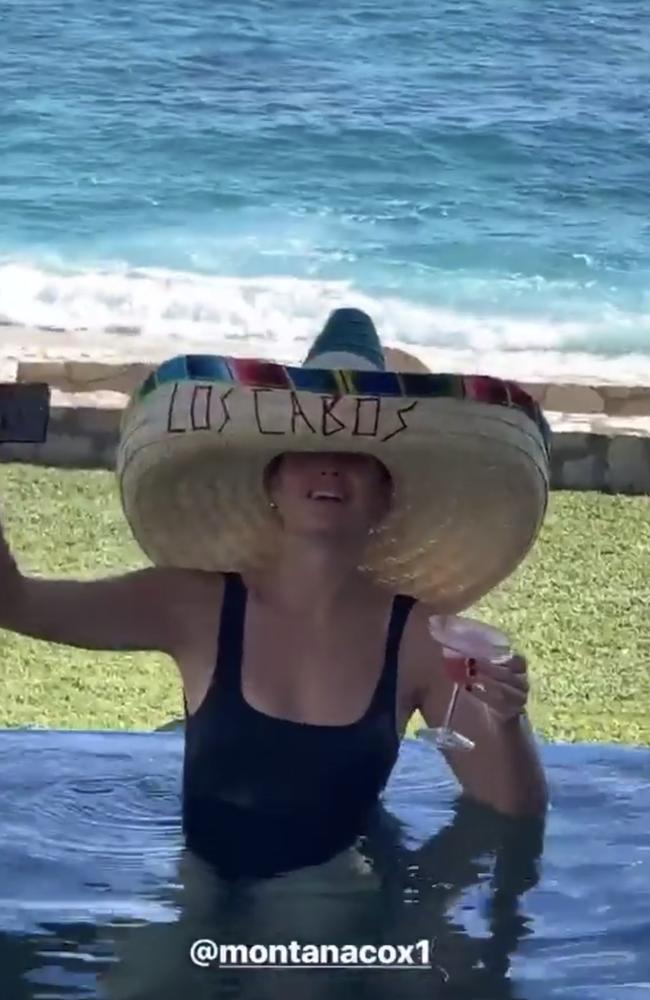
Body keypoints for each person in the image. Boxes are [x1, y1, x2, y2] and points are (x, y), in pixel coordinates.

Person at [0, 308, 551, 878]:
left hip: (336, 901)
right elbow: (13, 603)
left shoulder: (420, 638)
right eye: (308, 450)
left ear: (388, 493)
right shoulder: (192, 606)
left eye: (357, 458)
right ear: (273, 482)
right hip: (199, 890)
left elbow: (514, 812)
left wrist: (509, 722)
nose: (331, 470)